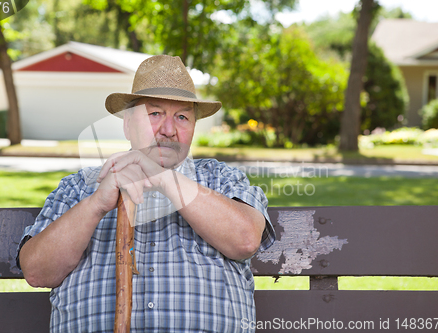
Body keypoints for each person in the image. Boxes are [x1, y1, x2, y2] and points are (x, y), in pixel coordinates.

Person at [17, 55, 275, 333]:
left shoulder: (220, 178)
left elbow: (247, 239)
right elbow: (37, 271)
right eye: (155, 114)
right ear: (127, 124)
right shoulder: (79, 187)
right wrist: (95, 205)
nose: (168, 130)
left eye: (182, 117)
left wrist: (163, 177)